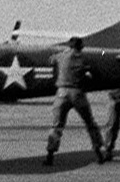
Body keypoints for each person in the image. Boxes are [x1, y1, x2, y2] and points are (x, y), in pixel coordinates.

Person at [43, 37, 105, 166]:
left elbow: (51, 60)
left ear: (70, 46)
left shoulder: (61, 56)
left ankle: (50, 155)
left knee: (57, 126)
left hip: (61, 93)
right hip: (77, 93)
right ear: (81, 46)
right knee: (90, 122)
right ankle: (98, 152)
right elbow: (93, 72)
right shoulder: (83, 58)